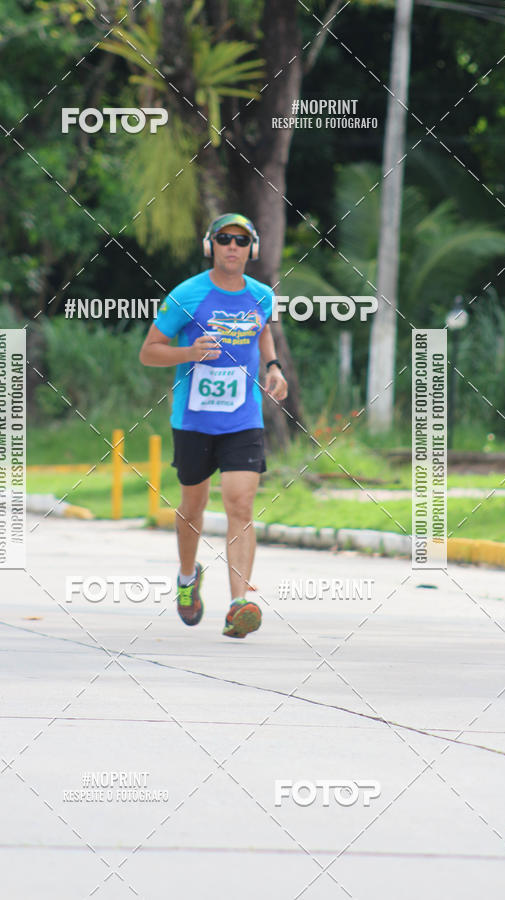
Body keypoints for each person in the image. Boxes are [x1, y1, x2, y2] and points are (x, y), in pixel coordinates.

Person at [139, 213, 288, 638]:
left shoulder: (262, 296)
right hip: (194, 420)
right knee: (194, 506)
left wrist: (273, 367)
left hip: (243, 418)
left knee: (240, 505)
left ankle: (239, 605)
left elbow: (262, 331)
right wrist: (189, 353)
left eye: (241, 240)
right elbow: (149, 352)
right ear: (211, 246)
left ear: (251, 249)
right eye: (224, 239)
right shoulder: (187, 294)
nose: (232, 247)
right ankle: (188, 577)